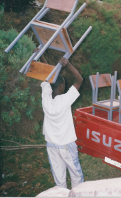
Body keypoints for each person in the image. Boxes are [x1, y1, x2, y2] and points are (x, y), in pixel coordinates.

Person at [38, 48, 84, 189]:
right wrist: (68, 65)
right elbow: (79, 80)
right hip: (66, 144)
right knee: (75, 174)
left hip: (51, 144)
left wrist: (41, 56)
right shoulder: (65, 100)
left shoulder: (46, 98)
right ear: (63, 86)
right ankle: (78, 193)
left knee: (59, 177)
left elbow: (48, 75)